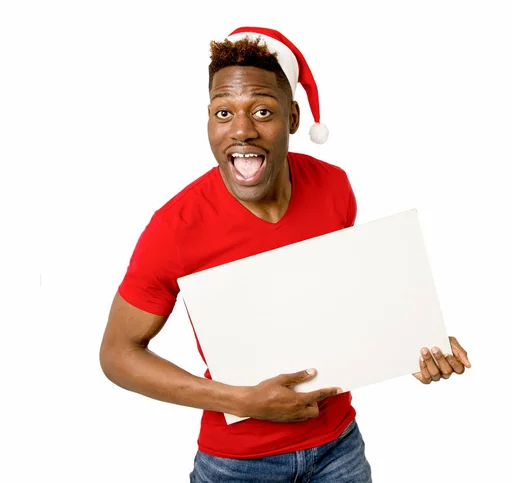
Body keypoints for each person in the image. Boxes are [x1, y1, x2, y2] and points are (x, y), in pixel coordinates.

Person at [99, 26, 471, 482]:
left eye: (261, 111)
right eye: (223, 112)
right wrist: (240, 400)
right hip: (237, 465)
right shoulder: (175, 227)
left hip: (339, 449)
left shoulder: (334, 188)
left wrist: (416, 344)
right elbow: (118, 354)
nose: (241, 130)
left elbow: (339, 306)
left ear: (293, 118)